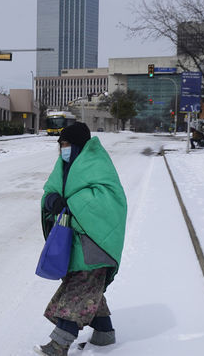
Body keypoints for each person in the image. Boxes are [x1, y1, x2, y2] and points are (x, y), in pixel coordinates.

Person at [35, 122, 128, 356]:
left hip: (95, 243)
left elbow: (106, 200)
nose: (62, 149)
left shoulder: (97, 164)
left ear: (77, 145)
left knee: (77, 291)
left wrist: (70, 204)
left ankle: (59, 344)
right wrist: (51, 201)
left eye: (66, 144)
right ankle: (104, 335)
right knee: (89, 289)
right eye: (60, 145)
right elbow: (51, 190)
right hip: (73, 242)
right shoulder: (65, 165)